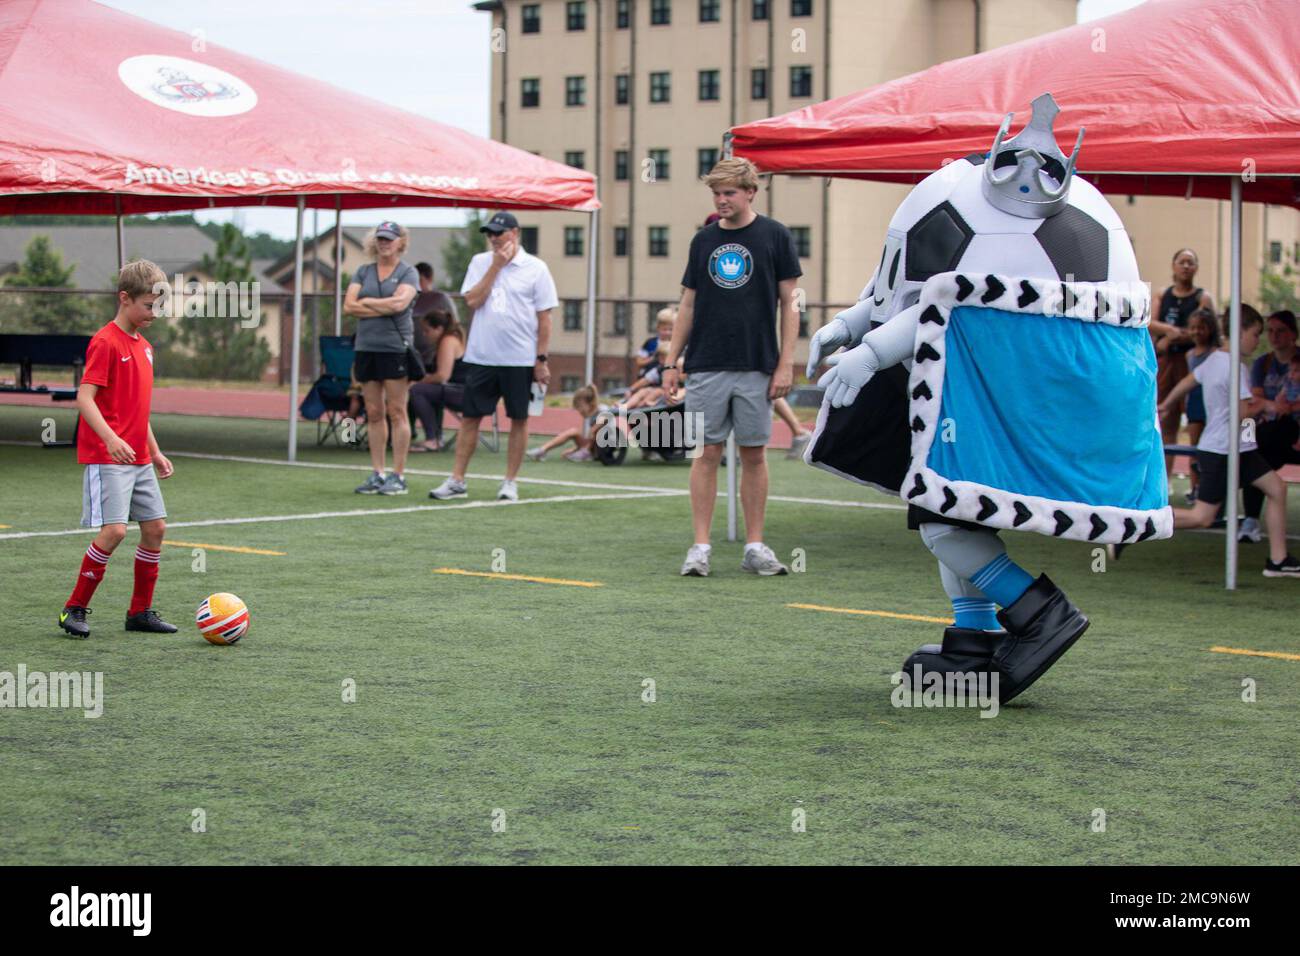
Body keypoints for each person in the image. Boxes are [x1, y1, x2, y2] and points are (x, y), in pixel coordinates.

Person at [663, 158, 802, 576]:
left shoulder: (775, 235)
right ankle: (700, 547)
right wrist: (672, 362)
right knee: (705, 453)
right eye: (716, 194)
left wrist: (785, 363)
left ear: (750, 193)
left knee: (754, 454)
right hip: (706, 363)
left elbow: (790, 303)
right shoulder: (702, 241)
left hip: (757, 363)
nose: (722, 200)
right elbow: (687, 304)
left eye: (729, 193)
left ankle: (755, 546)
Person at [59, 259, 177, 638]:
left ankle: (139, 613)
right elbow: (84, 397)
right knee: (114, 532)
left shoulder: (145, 347)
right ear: (124, 298)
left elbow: (137, 412)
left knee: (155, 528)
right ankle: (73, 609)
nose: (154, 313)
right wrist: (111, 438)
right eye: (148, 305)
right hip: (108, 457)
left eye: (159, 306)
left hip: (140, 458)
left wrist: (155, 451)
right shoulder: (105, 341)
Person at [1153, 308, 1298, 577]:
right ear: (1239, 332)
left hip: (1240, 449)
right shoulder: (1237, 367)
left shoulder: (1212, 360)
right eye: (1256, 334)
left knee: (1277, 489)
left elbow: (1188, 381)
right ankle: (1139, 523)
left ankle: (1278, 560)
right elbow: (1243, 412)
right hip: (1221, 451)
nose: (1258, 341)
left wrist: (1166, 404)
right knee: (1202, 517)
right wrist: (1270, 406)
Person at [429, 211, 556, 501]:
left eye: (499, 233)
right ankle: (457, 480)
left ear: (515, 233)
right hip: (482, 357)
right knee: (471, 417)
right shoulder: (480, 262)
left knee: (519, 419)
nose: (494, 238)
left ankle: (510, 482)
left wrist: (541, 360)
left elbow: (545, 318)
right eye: (490, 234)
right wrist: (495, 267)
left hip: (520, 359)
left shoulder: (536, 268)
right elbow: (472, 300)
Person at [345, 221, 419, 496]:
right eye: (380, 239)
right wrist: (383, 306)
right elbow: (349, 306)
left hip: (395, 348)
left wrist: (367, 304)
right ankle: (378, 472)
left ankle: (398, 475)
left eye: (389, 239)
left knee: (397, 411)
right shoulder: (363, 271)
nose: (384, 243)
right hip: (366, 347)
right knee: (374, 412)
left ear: (400, 242)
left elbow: (401, 304)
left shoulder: (408, 273)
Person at [1152, 249, 1216, 481]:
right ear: (1173, 265)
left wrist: (1178, 335)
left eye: (1191, 263)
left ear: (1197, 268)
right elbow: (1150, 322)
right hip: (1167, 364)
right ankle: (1164, 481)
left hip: (1193, 364)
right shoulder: (1163, 294)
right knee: (1166, 422)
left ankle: (1196, 483)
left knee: (1196, 424)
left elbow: (1211, 331)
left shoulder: (1202, 297)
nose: (1186, 267)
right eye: (1182, 262)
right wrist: (1167, 333)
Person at [1241, 309, 1300, 537]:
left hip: (1292, 429)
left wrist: (1286, 407)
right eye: (1270, 331)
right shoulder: (1262, 363)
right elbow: (1256, 400)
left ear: (1293, 334)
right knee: (1250, 448)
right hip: (1270, 432)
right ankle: (1250, 519)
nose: (1274, 336)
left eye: (1281, 331)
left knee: (1257, 446)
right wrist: (1272, 406)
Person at [409, 311, 467, 452]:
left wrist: (418, 381)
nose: (424, 334)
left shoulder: (448, 341)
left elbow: (442, 376)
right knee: (429, 391)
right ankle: (435, 435)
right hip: (459, 390)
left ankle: (432, 439)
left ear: (439, 329)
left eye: (427, 330)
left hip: (463, 392)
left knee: (417, 390)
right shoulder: (450, 339)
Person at [1181, 308, 1221, 504]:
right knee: (1194, 447)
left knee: (1209, 448)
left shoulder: (1215, 353)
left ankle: (1207, 486)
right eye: (1193, 328)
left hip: (1211, 404)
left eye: (1201, 328)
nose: (1197, 332)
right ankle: (1194, 487)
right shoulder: (1189, 355)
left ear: (1210, 329)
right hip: (1195, 404)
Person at [526, 385, 611, 462]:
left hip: (603, 448)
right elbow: (587, 437)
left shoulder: (602, 409)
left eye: (580, 407)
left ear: (590, 403)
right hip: (592, 448)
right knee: (574, 431)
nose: (578, 410)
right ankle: (542, 450)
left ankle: (586, 452)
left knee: (599, 430)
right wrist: (574, 449)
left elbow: (608, 417)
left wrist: (594, 429)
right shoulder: (588, 417)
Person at [410, 261, 458, 369]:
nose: (417, 285)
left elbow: (454, 323)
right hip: (412, 353)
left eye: (420, 281)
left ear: (429, 279)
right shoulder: (409, 299)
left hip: (433, 354)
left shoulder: (441, 299)